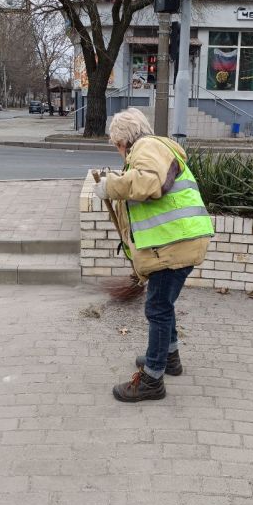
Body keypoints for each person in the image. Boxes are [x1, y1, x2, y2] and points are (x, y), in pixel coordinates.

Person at [93, 107, 214, 403]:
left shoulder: (146, 147)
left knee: (157, 309)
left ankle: (152, 378)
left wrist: (111, 186)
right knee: (163, 305)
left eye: (117, 146)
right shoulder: (154, 148)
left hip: (177, 246)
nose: (119, 152)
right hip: (178, 244)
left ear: (124, 140)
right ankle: (169, 358)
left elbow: (149, 183)